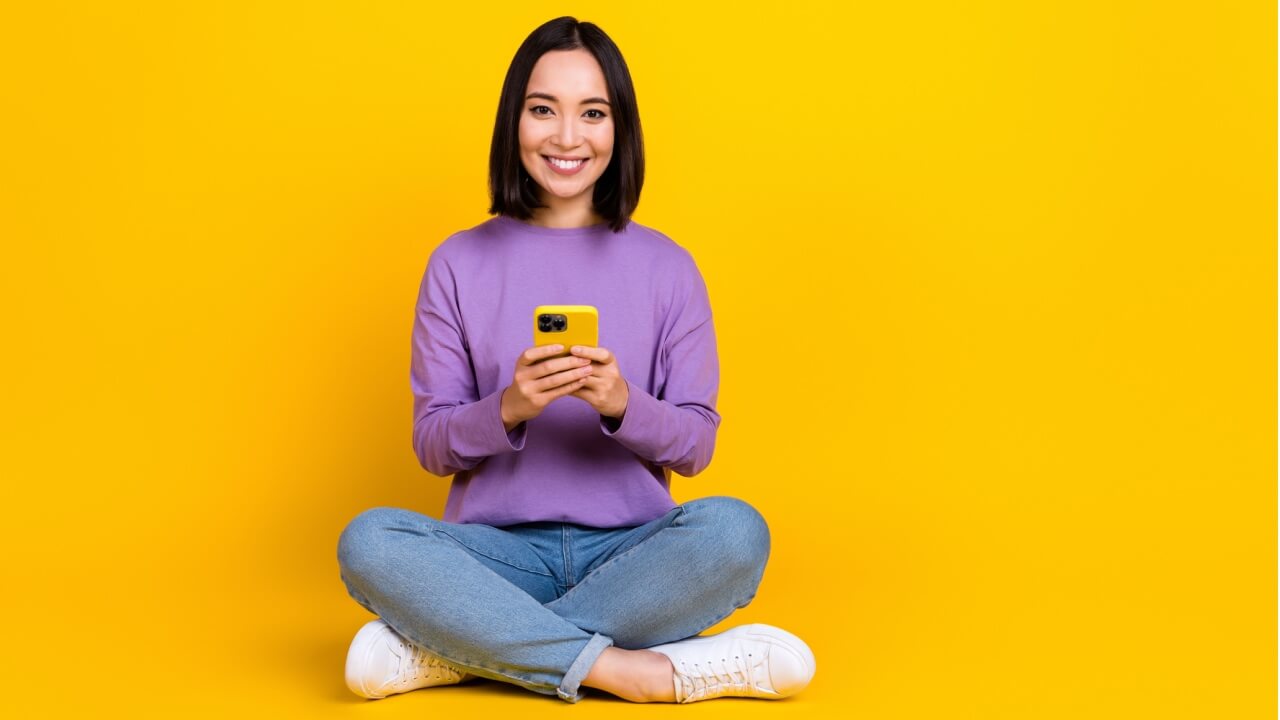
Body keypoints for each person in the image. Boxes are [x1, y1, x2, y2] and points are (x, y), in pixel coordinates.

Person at [336, 16, 816, 704]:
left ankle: (464, 653)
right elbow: (432, 445)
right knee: (369, 541)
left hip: (634, 556)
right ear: (515, 122)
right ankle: (628, 671)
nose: (567, 137)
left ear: (619, 129)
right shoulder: (458, 262)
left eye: (593, 113)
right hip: (495, 558)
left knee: (736, 532)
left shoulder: (668, 267)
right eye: (543, 111)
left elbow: (696, 444)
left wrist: (621, 402)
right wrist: (511, 407)